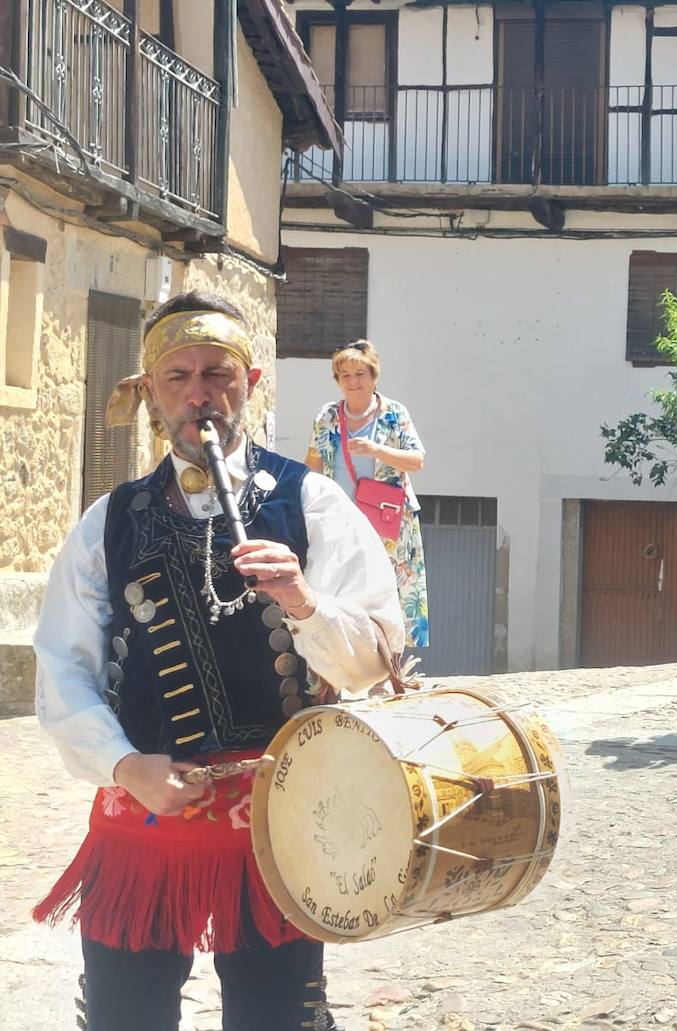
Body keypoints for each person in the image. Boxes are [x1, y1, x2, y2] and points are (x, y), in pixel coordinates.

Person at [31, 291, 405, 1030]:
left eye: (216, 373)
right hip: (142, 807)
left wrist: (304, 601)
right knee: (123, 1017)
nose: (198, 392)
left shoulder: (316, 503)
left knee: (276, 1018)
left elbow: (378, 657)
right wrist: (121, 763)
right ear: (151, 392)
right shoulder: (108, 521)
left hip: (281, 817)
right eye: (178, 376)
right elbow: (63, 666)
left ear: (252, 382)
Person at [305, 340, 428, 649]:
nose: (353, 382)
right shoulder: (327, 417)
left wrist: (376, 450)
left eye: (360, 373)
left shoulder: (394, 414)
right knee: (343, 593)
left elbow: (417, 460)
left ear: (374, 377)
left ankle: (390, 669)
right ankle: (348, 665)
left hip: (388, 522)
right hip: (341, 522)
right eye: (344, 375)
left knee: (390, 594)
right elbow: (312, 467)